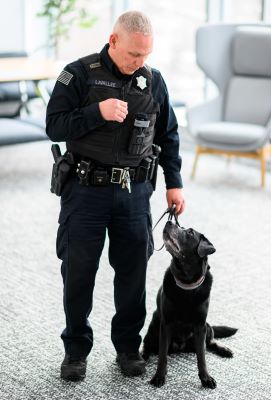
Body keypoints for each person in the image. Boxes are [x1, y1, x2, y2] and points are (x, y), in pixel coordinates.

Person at [46, 10, 185, 381]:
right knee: (78, 273)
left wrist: (175, 181)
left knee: (132, 274)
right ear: (113, 41)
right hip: (85, 191)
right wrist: (97, 112)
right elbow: (53, 125)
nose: (139, 63)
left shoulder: (153, 81)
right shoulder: (78, 73)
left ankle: (127, 347)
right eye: (132, 55)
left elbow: (168, 135)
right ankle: (75, 350)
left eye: (145, 56)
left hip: (133, 192)